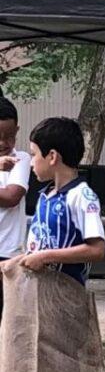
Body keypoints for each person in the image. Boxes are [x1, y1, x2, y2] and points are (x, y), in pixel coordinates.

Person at [11, 117, 105, 283]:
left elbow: (97, 249)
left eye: (34, 154)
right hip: (40, 292)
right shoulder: (45, 197)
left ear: (52, 156)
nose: (32, 163)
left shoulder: (81, 196)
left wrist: (45, 257)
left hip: (66, 297)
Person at [0, 98, 31, 321]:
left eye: (9, 136)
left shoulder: (20, 158)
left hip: (8, 251)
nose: (3, 143)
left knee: (6, 316)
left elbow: (11, 197)